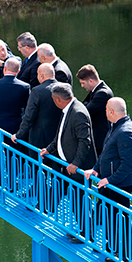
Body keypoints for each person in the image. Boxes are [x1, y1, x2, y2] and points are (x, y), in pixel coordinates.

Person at [84, 97, 132, 262]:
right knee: (108, 214)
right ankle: (110, 246)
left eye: (107, 109)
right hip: (108, 182)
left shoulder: (126, 132)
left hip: (119, 185)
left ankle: (125, 254)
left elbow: (127, 165)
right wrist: (95, 168)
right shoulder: (115, 126)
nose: (105, 112)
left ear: (112, 112)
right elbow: (106, 153)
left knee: (121, 218)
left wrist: (110, 180)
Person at [40, 83, 96, 240]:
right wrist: (49, 149)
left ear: (57, 99)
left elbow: (85, 141)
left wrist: (76, 163)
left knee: (79, 200)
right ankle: (47, 209)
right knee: (66, 191)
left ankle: (87, 235)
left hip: (77, 168)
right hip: (66, 165)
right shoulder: (68, 110)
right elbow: (60, 135)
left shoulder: (78, 112)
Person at [12, 63, 62, 154]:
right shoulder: (65, 88)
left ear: (41, 75)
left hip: (40, 139)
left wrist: (19, 135)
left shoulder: (37, 91)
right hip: (59, 137)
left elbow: (29, 117)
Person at [0, 58, 30, 145]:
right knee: (12, 152)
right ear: (18, 71)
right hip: (14, 127)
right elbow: (28, 106)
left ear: (4, 68)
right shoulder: (25, 87)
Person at [77, 64, 113, 157]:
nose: (82, 86)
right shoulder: (95, 91)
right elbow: (83, 104)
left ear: (91, 81)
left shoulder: (103, 93)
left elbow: (86, 111)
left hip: (100, 139)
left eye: (83, 83)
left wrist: (86, 105)